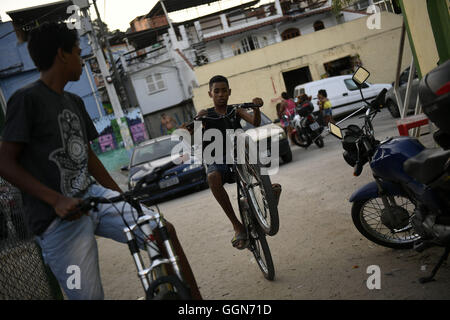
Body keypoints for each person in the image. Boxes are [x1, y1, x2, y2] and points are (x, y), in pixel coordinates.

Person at [0, 22, 201, 300]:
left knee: (161, 229)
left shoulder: (73, 100)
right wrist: (56, 200)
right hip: (55, 221)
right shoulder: (25, 100)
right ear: (62, 54)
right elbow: (5, 162)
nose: (82, 60)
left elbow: (89, 156)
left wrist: (123, 198)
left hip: (93, 197)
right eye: (77, 52)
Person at [189, 75, 281, 250]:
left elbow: (255, 122)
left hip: (239, 155)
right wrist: (196, 120)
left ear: (229, 92)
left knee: (247, 155)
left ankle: (267, 192)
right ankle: (237, 225)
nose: (221, 94)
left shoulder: (235, 110)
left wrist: (256, 107)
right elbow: (189, 132)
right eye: (217, 91)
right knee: (212, 177)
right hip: (218, 159)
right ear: (210, 94)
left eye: (224, 90)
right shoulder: (206, 115)